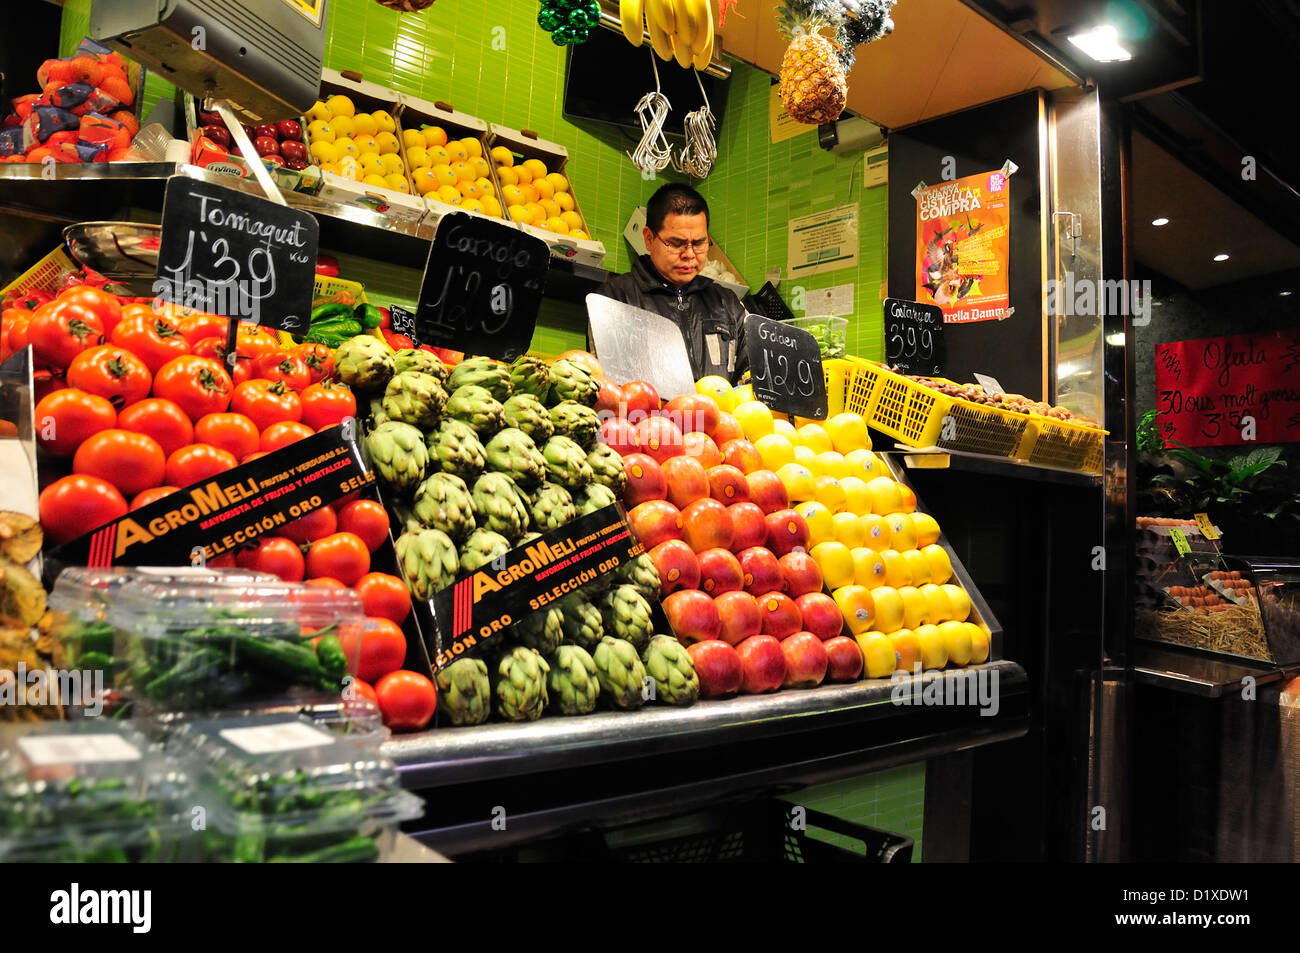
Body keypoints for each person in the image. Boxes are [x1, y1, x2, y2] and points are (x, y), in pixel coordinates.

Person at [597, 184, 749, 383]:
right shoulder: (614, 299)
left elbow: (752, 375)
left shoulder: (727, 303)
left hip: (719, 414)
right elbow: (605, 386)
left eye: (699, 243)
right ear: (649, 239)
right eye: (676, 243)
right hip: (644, 414)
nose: (689, 254)